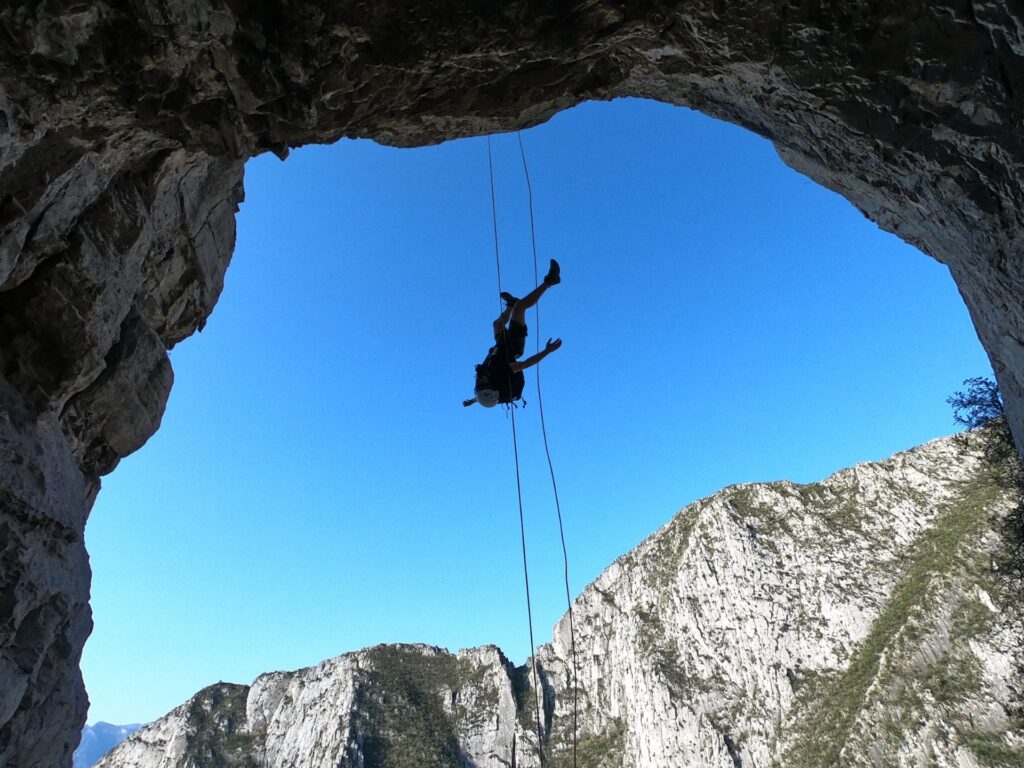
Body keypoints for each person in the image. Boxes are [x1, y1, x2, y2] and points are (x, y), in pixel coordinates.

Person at [464, 259, 563, 408]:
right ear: (492, 386)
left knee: (497, 324)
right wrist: (547, 351)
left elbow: (481, 395)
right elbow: (526, 363)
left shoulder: (483, 387)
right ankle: (551, 281)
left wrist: (472, 401)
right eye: (484, 383)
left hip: (501, 346)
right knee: (520, 307)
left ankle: (511, 304)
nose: (482, 381)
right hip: (513, 346)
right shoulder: (501, 374)